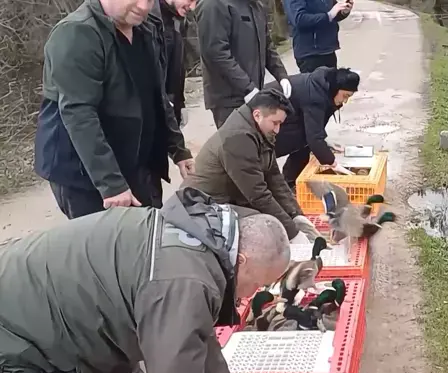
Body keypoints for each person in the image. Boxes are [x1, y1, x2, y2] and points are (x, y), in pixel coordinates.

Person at [0, 187, 291, 373]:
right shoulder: (185, 280)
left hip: (77, 326)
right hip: (10, 342)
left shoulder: (204, 235)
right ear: (243, 259)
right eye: (257, 283)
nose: (253, 293)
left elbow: (190, 330)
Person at [33, 0, 195, 220]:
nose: (143, 7)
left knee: (147, 238)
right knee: (106, 248)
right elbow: (80, 114)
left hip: (138, 163)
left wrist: (178, 149)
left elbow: (157, 97)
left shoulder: (146, 29)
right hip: (86, 174)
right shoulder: (76, 34)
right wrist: (111, 184)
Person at [183, 88, 317, 243]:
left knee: (277, 222)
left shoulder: (260, 130)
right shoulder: (238, 138)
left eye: (280, 124)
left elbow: (274, 177)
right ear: (257, 115)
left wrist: (295, 214)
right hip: (202, 208)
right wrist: (292, 233)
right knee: (268, 228)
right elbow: (258, 194)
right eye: (275, 123)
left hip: (227, 200)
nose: (277, 130)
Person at [196, 0, 293, 129]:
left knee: (257, 144)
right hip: (228, 98)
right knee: (236, 145)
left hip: (253, 93)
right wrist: (247, 88)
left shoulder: (255, 6)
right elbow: (216, 53)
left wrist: (282, 75)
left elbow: (267, 45)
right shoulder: (214, 5)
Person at [265, 66, 359, 190]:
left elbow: (316, 126)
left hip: (288, 115)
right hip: (267, 115)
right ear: (336, 88)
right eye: (345, 95)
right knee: (267, 154)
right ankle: (276, 189)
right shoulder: (316, 95)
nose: (345, 101)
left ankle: (291, 183)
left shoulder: (326, 87)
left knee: (306, 142)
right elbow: (314, 136)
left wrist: (325, 143)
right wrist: (332, 163)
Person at [149, 0, 195, 127]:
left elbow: (177, 66)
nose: (192, 7)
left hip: (172, 108)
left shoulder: (177, 19)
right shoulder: (147, 19)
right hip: (155, 112)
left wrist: (180, 104)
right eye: (190, 0)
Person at [283, 0, 353, 72]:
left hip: (328, 50)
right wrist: (329, 15)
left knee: (332, 82)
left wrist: (343, 11)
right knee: (316, 82)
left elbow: (332, 14)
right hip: (310, 53)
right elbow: (299, 20)